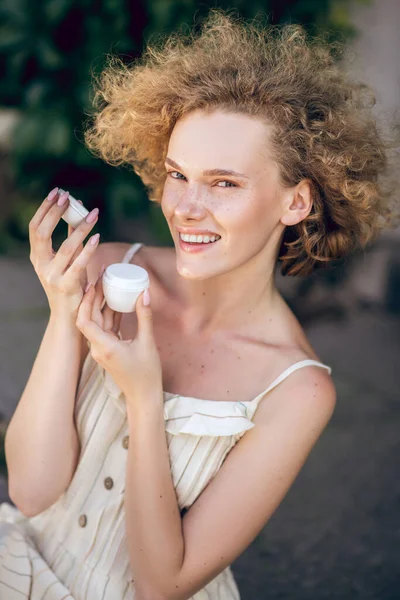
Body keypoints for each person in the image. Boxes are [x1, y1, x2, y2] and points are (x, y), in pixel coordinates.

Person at [0, 9, 395, 600]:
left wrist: (143, 395)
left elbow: (164, 584)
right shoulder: (111, 270)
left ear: (297, 201)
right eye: (178, 174)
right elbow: (31, 492)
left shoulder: (296, 390)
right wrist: (63, 311)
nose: (185, 206)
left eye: (225, 183)